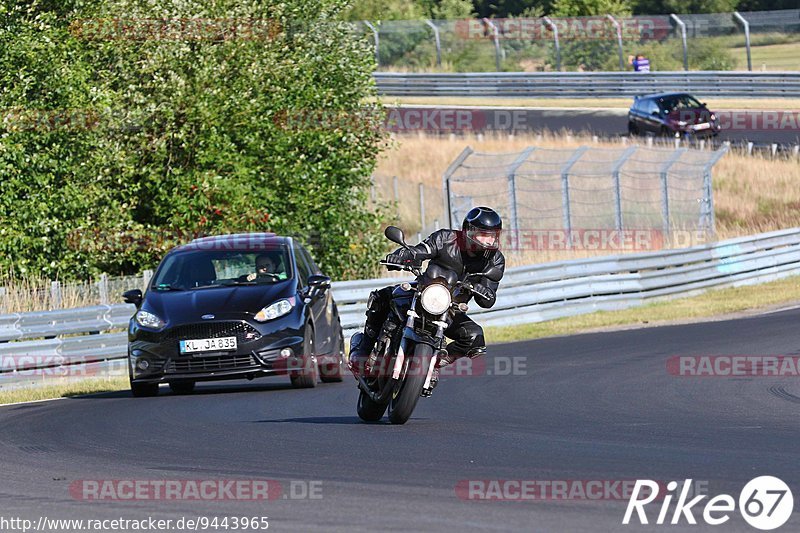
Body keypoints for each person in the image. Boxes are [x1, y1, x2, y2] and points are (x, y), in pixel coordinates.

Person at [349, 206, 505, 391]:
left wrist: (483, 290)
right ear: (469, 231)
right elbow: (420, 250)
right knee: (383, 297)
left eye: (492, 235)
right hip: (422, 293)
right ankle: (364, 351)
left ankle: (436, 362)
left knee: (475, 336)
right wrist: (402, 256)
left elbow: (488, 298)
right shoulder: (446, 239)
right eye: (483, 235)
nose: (488, 240)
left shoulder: (495, 260)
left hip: (450, 310)